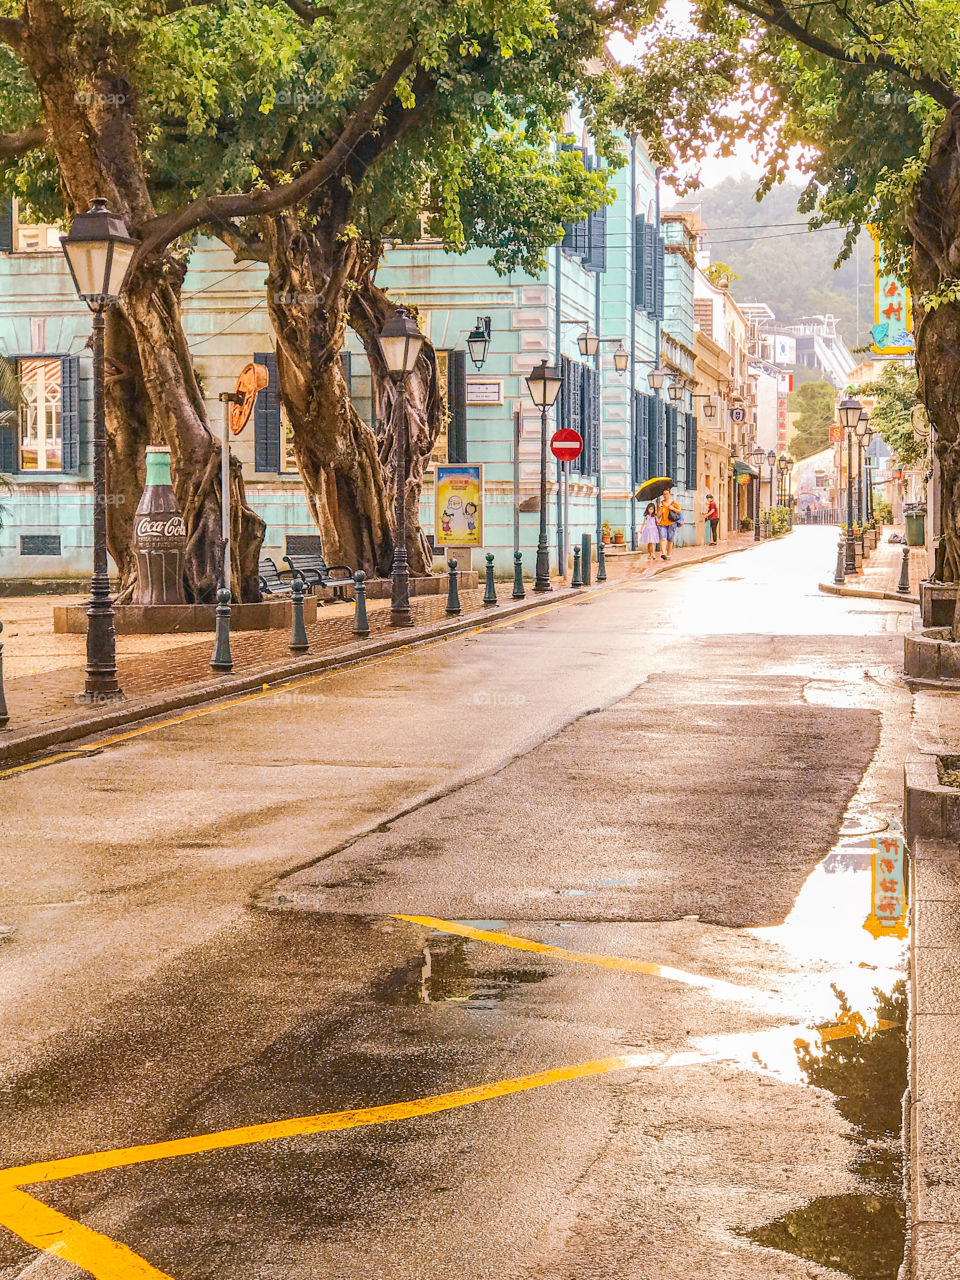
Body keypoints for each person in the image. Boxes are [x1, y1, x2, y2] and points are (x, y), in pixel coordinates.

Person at [656, 490, 683, 560]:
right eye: (664, 494)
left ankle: (668, 554)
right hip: (662, 524)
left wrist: (673, 508)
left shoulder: (673, 502)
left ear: (669, 494)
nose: (665, 495)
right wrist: (660, 509)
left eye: (666, 494)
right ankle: (663, 553)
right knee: (662, 538)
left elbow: (680, 511)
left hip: (672, 523)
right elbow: (658, 516)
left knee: (670, 540)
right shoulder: (661, 503)